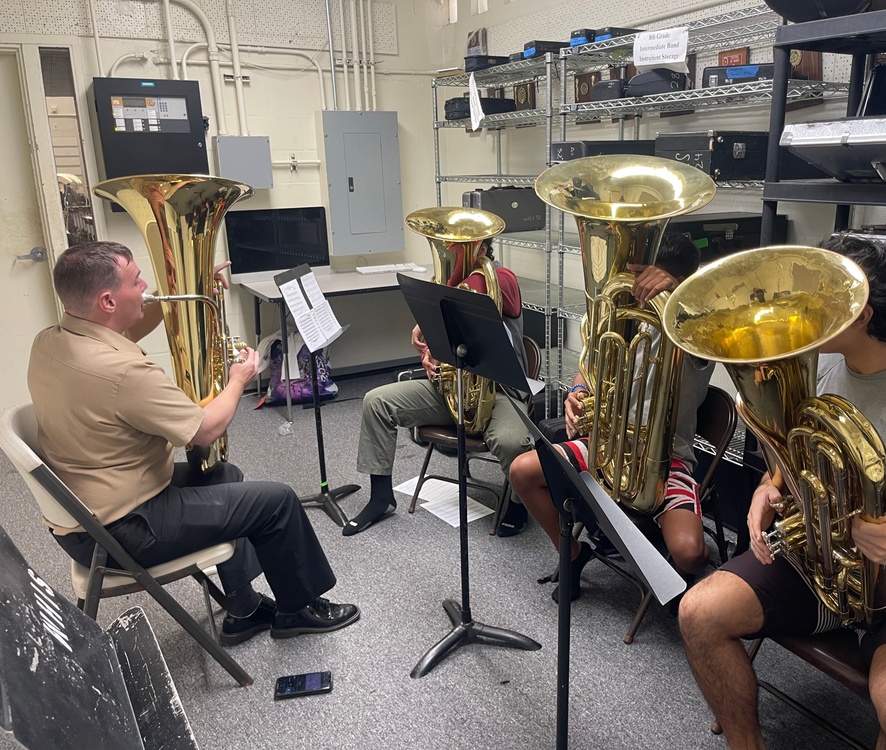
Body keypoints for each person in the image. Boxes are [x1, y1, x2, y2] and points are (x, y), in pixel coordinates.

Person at [678, 235, 886, 750]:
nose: (793, 313)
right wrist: (766, 488)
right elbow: (792, 460)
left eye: (811, 301)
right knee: (698, 614)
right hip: (816, 553)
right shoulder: (817, 368)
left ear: (860, 313)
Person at [28, 241, 360, 646]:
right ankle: (298, 610)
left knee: (225, 475)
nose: (147, 286)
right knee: (277, 501)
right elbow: (205, 430)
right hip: (124, 529)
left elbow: (130, 323)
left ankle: (244, 609)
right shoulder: (122, 371)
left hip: (82, 519)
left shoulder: (50, 340)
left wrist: (194, 286)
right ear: (108, 300)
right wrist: (240, 378)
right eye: (137, 281)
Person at [509, 232, 715, 601]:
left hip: (668, 462)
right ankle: (572, 554)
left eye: (651, 282)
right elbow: (587, 371)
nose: (641, 291)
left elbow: (719, 318)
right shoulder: (617, 319)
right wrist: (578, 393)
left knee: (690, 553)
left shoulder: (697, 333)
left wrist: (683, 295)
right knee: (522, 471)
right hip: (606, 446)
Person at [346, 239, 534, 537]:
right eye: (444, 246)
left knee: (514, 442)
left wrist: (437, 301)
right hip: (452, 392)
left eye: (455, 247)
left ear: (481, 250)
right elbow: (436, 346)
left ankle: (517, 504)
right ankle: (381, 497)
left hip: (500, 394)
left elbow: (487, 288)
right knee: (376, 402)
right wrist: (428, 354)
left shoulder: (501, 278)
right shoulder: (443, 286)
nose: (446, 253)